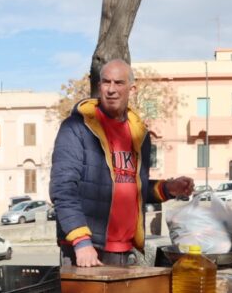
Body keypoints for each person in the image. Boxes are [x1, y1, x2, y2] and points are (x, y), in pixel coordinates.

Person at [50, 59, 194, 267]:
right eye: (106, 82)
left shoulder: (139, 134)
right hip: (87, 250)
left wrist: (167, 188)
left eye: (118, 83)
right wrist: (81, 243)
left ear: (132, 89)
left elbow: (131, 186)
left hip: (125, 249)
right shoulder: (77, 127)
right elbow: (62, 188)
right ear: (99, 86)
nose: (111, 90)